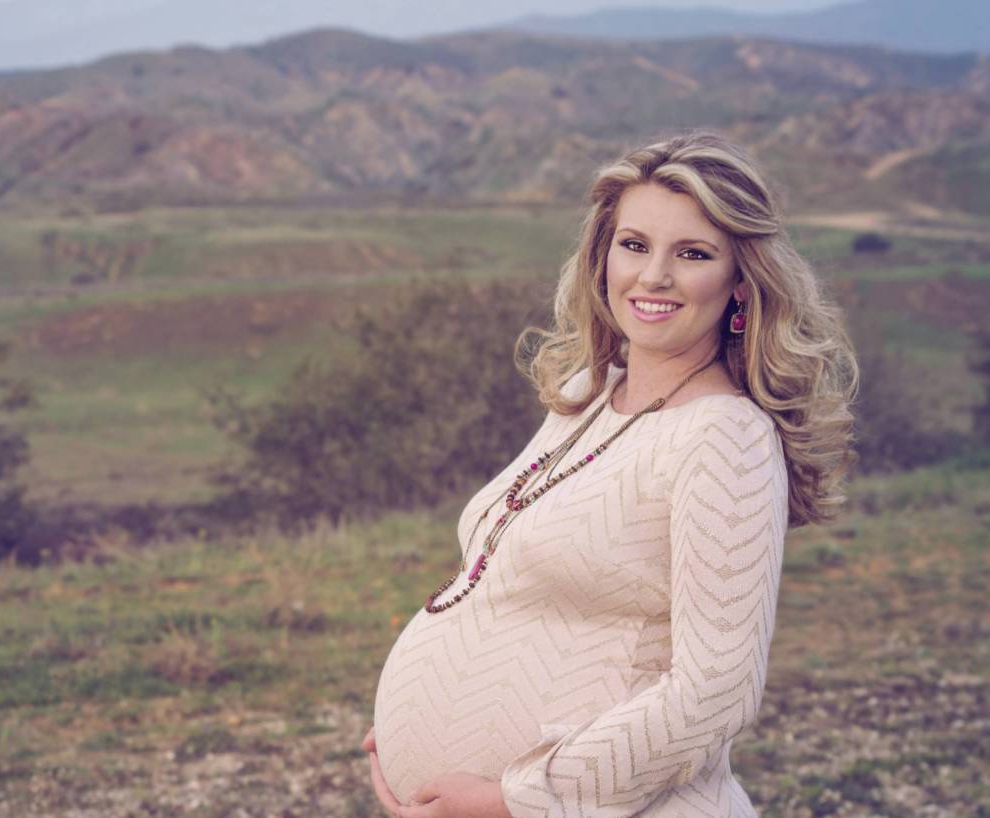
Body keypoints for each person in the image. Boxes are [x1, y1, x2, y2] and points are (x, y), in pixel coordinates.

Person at [359, 130, 858, 817]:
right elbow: (517, 584)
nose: (654, 276)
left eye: (692, 254)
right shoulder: (590, 390)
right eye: (634, 245)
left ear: (740, 283)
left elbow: (717, 691)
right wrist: (420, 717)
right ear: (602, 258)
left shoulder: (724, 438)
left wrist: (512, 798)